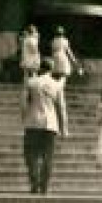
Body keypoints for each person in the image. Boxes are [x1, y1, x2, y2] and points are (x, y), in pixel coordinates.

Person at [21, 58, 68, 195]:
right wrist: (64, 128)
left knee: (31, 155)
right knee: (48, 156)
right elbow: (61, 108)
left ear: (40, 68)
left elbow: (23, 104)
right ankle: (44, 186)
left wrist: (23, 117)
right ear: (51, 69)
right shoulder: (56, 85)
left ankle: (34, 182)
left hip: (33, 122)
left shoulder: (31, 82)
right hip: (51, 124)